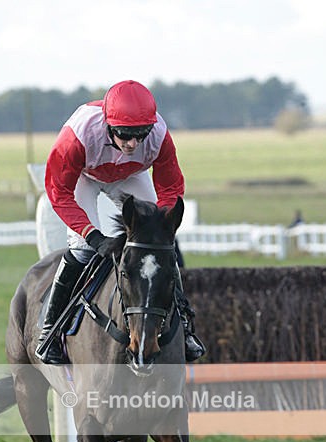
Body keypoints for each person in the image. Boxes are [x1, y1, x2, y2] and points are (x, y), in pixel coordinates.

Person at [35, 79, 205, 364]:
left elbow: (171, 189)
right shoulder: (77, 136)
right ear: (109, 125)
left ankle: (185, 328)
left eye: (141, 135)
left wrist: (159, 229)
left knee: (160, 249)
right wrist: (92, 235)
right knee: (81, 251)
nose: (133, 143)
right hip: (84, 179)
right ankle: (50, 331)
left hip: (130, 176)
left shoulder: (160, 136)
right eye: (125, 135)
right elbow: (59, 192)